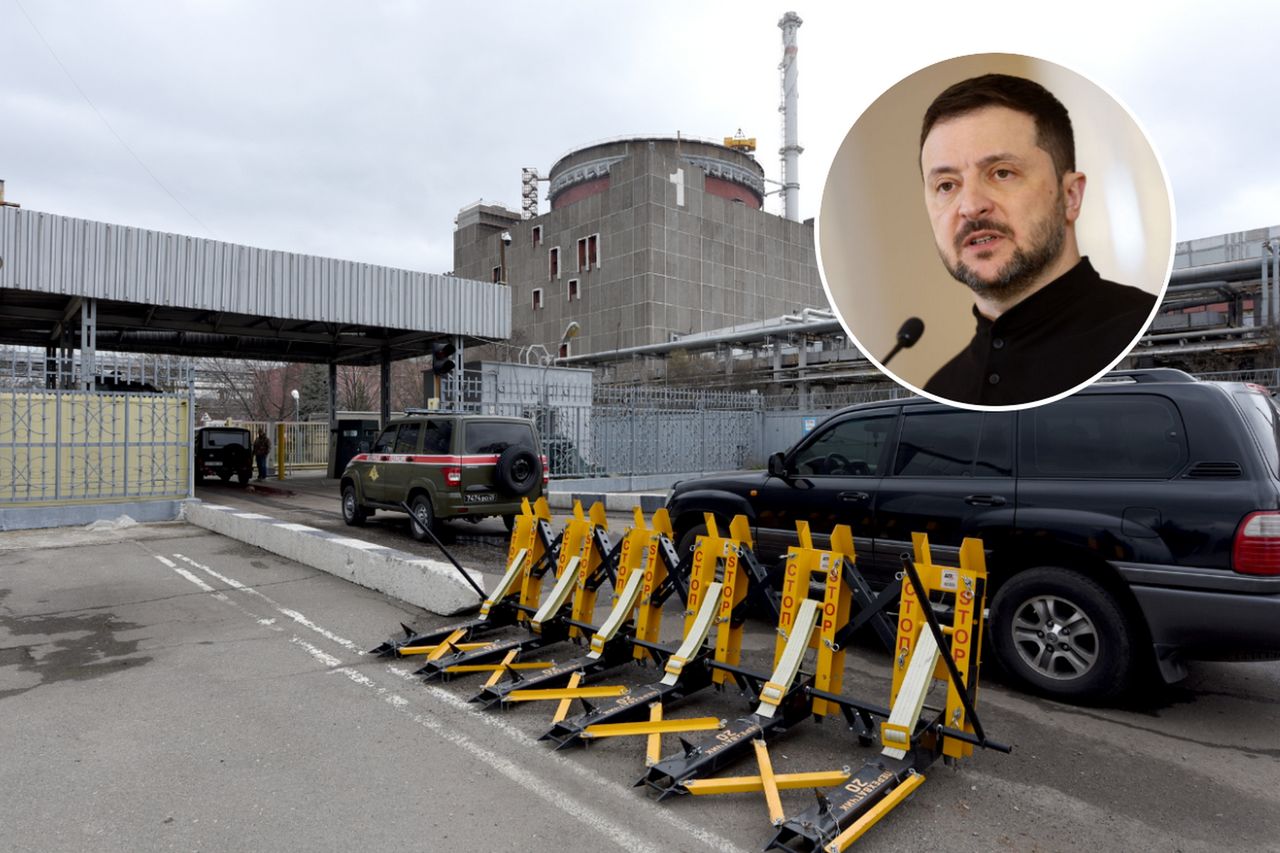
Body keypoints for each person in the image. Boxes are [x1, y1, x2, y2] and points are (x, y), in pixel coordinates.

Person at [918, 73, 1157, 406]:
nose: (971, 207)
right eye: (946, 185)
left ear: (1070, 196)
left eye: (1002, 172)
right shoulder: (938, 391)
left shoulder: (1146, 337)